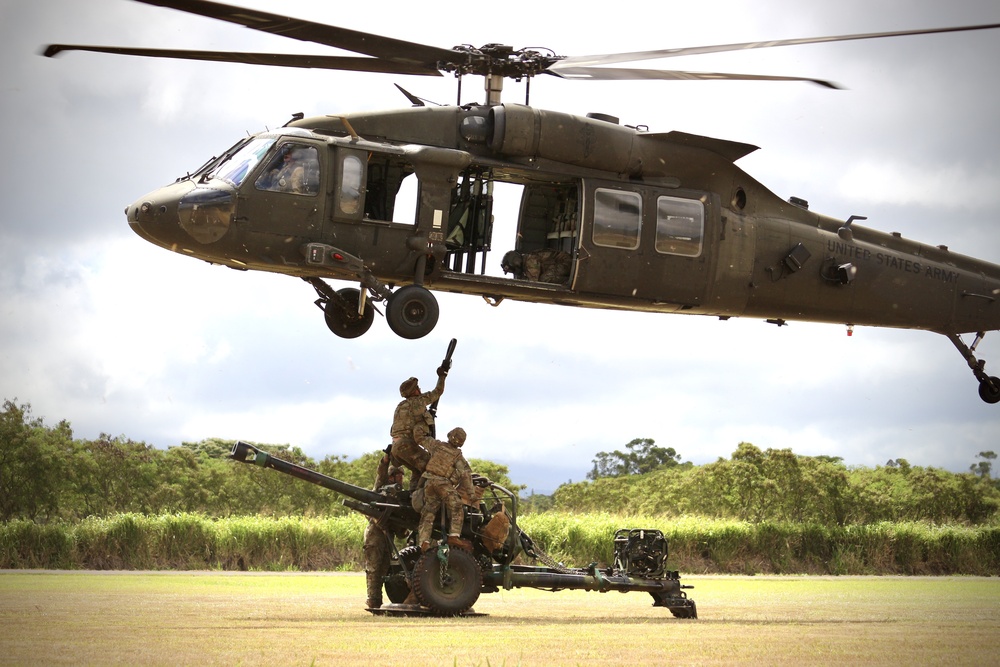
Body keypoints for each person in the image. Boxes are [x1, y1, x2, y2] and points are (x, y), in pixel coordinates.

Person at [415, 427, 475, 552]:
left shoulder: (437, 445)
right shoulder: (457, 456)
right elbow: (465, 473)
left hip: (428, 482)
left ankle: (423, 542)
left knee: (429, 511)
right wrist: (471, 493)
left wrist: (421, 425)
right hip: (442, 483)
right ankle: (454, 536)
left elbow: (421, 439)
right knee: (457, 505)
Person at [389, 366, 448, 490]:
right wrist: (442, 376)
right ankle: (423, 497)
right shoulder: (418, 401)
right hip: (407, 445)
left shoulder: (400, 406)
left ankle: (413, 495)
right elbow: (438, 391)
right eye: (417, 387)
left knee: (417, 470)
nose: (419, 389)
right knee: (431, 466)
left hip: (395, 449)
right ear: (414, 391)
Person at [363, 450, 405, 609]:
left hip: (389, 535)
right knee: (374, 568)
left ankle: (377, 599)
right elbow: (380, 473)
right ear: (390, 477)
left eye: (402, 476)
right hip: (375, 534)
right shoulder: (381, 489)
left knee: (385, 568)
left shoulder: (399, 495)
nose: (400, 478)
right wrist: (385, 459)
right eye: (397, 476)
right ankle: (373, 600)